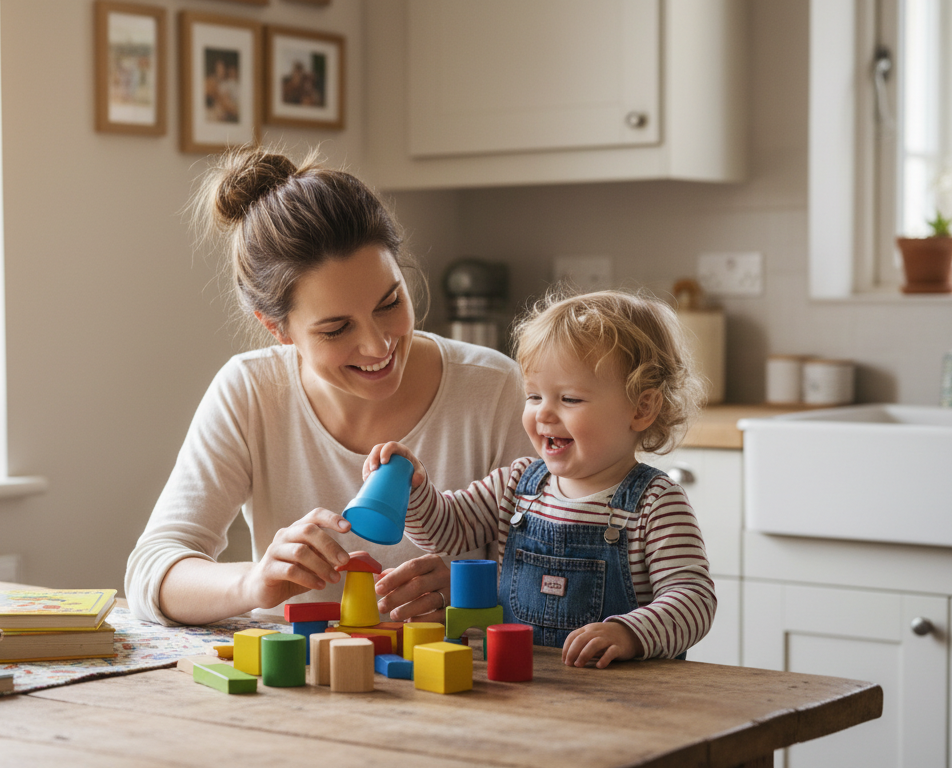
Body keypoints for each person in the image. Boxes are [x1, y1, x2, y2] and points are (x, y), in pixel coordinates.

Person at [124, 147, 528, 627]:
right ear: (278, 329)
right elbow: (153, 570)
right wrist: (253, 582)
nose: (378, 345)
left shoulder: (495, 389)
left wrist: (477, 588)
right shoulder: (250, 390)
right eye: (337, 329)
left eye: (389, 303)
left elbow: (568, 562)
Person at [364, 290, 715, 667]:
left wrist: (629, 633)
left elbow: (693, 600)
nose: (543, 414)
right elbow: (445, 530)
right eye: (534, 396)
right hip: (520, 681)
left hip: (618, 692)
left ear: (642, 408)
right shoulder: (515, 484)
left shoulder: (656, 503)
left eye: (570, 399)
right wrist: (415, 492)